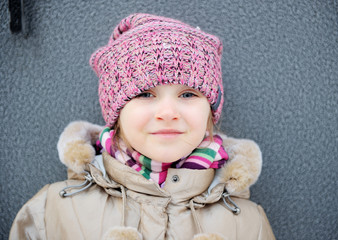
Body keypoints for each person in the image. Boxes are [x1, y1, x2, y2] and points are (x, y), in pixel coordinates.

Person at [10, 13, 275, 240]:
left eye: (188, 94)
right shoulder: (52, 211)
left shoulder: (248, 223)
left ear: (210, 108)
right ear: (116, 111)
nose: (168, 113)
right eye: (145, 94)